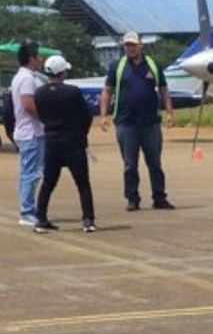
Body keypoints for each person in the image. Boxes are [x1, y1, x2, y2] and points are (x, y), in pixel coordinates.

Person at [98, 31, 175, 211]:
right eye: (127, 45)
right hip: (126, 123)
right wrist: (103, 115)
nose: (130, 48)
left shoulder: (153, 66)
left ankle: (159, 197)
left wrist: (169, 112)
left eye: (133, 45)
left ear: (140, 45)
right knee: (129, 164)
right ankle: (132, 198)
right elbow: (107, 91)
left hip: (150, 123)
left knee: (155, 162)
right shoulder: (117, 66)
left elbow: (163, 90)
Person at [33, 56, 96, 233]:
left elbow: (42, 116)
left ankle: (40, 218)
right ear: (62, 72)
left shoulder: (39, 93)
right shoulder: (72, 92)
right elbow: (86, 116)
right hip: (73, 142)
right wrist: (82, 134)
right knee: (83, 183)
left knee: (48, 183)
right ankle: (88, 219)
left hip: (52, 142)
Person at [10, 40, 45, 226]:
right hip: (31, 132)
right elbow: (27, 104)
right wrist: (44, 118)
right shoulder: (27, 79)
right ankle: (27, 211)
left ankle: (29, 208)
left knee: (30, 172)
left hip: (29, 132)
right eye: (38, 55)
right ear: (31, 58)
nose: (40, 59)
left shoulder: (25, 77)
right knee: (31, 173)